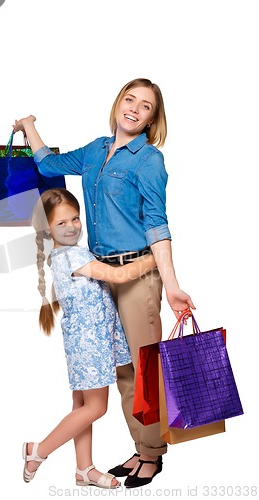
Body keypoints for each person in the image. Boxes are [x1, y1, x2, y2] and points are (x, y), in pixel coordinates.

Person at [14, 77, 195, 488]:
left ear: (152, 118)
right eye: (129, 99)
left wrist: (170, 283)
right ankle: (143, 445)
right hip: (99, 274)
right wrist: (29, 127)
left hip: (136, 274)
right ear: (118, 103)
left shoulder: (148, 160)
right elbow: (47, 165)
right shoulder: (96, 150)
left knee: (144, 368)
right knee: (123, 371)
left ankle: (152, 454)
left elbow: (157, 224)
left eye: (145, 106)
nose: (134, 108)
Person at [23, 187, 158, 488]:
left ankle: (84, 469)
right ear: (47, 228)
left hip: (84, 342)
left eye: (75, 218)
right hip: (90, 345)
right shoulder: (74, 256)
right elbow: (118, 276)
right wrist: (154, 259)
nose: (71, 227)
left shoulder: (61, 256)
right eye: (62, 223)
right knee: (96, 408)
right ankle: (39, 450)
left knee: (81, 407)